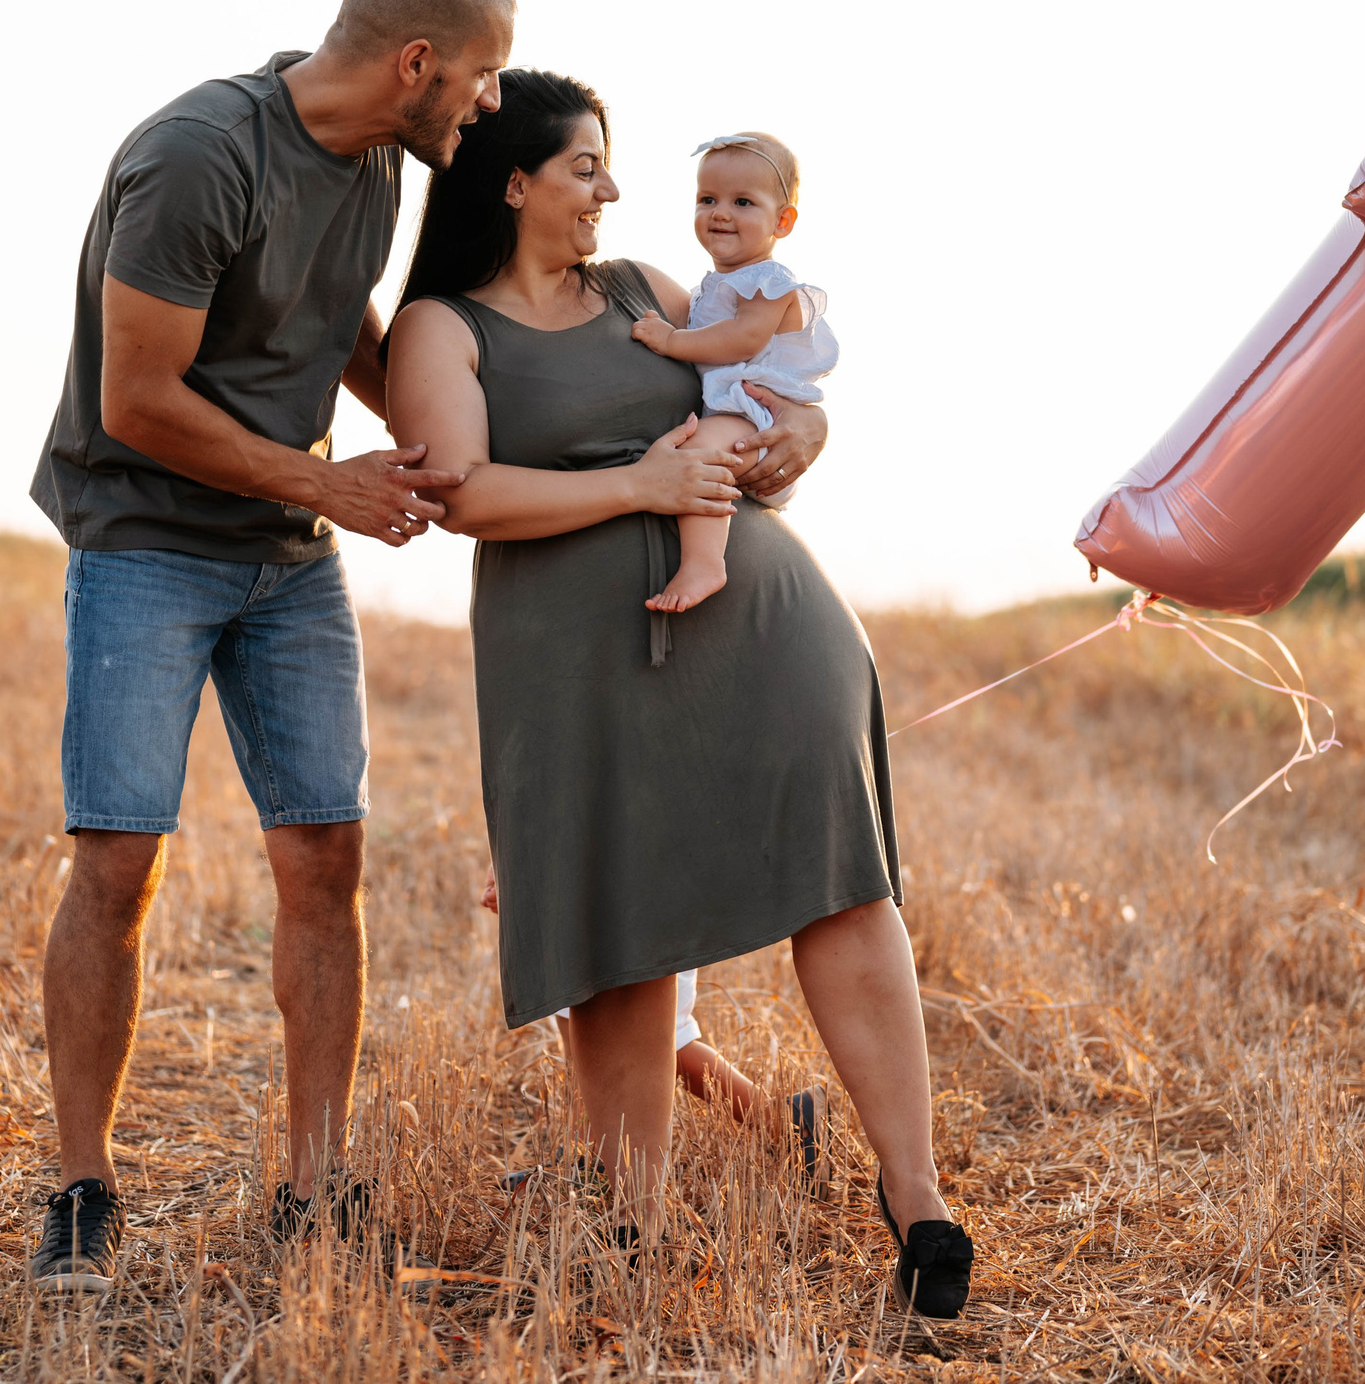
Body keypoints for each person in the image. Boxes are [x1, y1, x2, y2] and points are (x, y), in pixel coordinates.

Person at [383, 71, 977, 1318]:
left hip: (762, 617)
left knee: (842, 875)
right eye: (587, 167)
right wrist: (637, 490)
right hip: (570, 655)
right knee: (616, 918)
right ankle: (633, 1231)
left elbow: (763, 405)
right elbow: (463, 496)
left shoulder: (649, 292)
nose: (611, 191)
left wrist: (797, 446)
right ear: (514, 183)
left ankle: (915, 1196)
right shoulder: (442, 328)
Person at [18, 0, 512, 1295]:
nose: (481, 106)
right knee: (118, 864)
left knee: (327, 858)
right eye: (478, 78)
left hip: (287, 554)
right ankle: (80, 1184)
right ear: (417, 61)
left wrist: (449, 444)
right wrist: (331, 486)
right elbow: (138, 398)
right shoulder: (199, 153)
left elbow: (335, 325)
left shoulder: (373, 168)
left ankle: (314, 1182)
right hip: (147, 544)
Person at [479, 871, 830, 1181]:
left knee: (661, 1038)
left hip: (649, 874)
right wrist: (510, 864)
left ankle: (788, 1121)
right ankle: (588, 1155)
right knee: (575, 1011)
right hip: (582, 871)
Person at [628, 132, 838, 614]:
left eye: (742, 201)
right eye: (707, 199)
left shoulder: (768, 282)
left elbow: (743, 340)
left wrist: (671, 340)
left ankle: (704, 562)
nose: (720, 212)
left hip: (754, 416)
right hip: (737, 412)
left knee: (698, 457)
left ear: (782, 222)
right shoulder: (719, 283)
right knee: (698, 452)